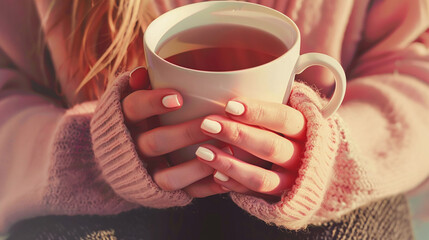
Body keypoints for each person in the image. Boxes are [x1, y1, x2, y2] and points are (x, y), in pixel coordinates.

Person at [0, 0, 428, 239]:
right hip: (104, 198)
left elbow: (416, 60)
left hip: (300, 205)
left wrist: (327, 157)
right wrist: (90, 152)